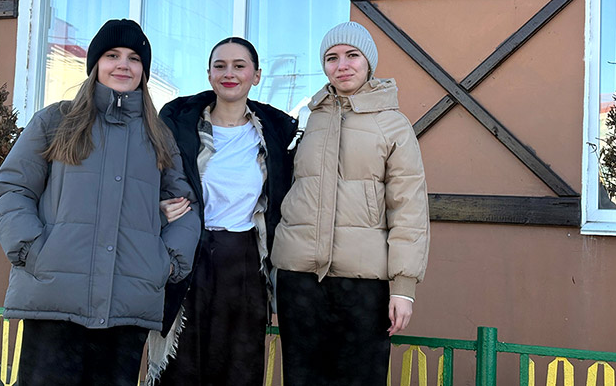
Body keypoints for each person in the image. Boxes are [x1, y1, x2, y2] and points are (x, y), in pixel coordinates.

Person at [0, 19, 201, 386]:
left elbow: (185, 210)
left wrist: (164, 264)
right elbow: (12, 190)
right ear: (95, 64)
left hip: (128, 304)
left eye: (134, 58)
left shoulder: (158, 137)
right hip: (55, 298)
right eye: (112, 55)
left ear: (144, 71)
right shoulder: (55, 121)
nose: (123, 65)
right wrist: (32, 250)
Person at [271, 21, 430, 386]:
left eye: (351, 55)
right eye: (332, 58)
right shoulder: (310, 119)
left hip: (363, 285)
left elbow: (409, 209)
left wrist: (403, 288)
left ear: (368, 61)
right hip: (300, 281)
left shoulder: (394, 125)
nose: (341, 65)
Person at [149, 37, 298, 386]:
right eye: (220, 66)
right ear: (209, 74)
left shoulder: (274, 135)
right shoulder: (179, 127)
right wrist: (157, 208)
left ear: (256, 76)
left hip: (244, 262)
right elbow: (147, 179)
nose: (229, 73)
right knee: (182, 367)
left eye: (239, 66)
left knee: (238, 367)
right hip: (189, 256)